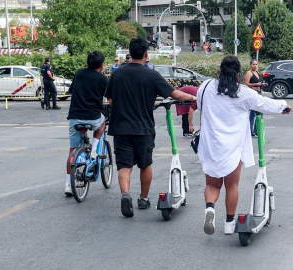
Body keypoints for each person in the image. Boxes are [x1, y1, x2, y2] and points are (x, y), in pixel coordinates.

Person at [197, 56, 292, 235]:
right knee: (231, 186)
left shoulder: (206, 87)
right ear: (239, 76)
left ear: (219, 72)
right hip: (234, 147)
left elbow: (201, 107)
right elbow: (264, 104)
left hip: (212, 145)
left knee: (213, 184)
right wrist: (283, 106)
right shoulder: (243, 92)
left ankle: (210, 209)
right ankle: (229, 223)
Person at [104, 37, 197, 218]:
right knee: (145, 164)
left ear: (129, 54)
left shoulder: (117, 74)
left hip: (121, 128)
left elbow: (111, 100)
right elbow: (174, 94)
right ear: (146, 54)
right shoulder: (152, 75)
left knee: (124, 165)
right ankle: (143, 198)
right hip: (143, 128)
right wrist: (193, 98)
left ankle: (125, 194)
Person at [64, 51, 108, 196]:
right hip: (93, 118)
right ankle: (94, 148)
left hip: (75, 118)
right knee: (103, 122)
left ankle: (68, 185)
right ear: (101, 65)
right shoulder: (103, 79)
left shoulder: (79, 73)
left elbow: (72, 91)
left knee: (72, 151)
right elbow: (110, 98)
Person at [245, 59, 268, 137]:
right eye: (253, 64)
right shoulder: (249, 73)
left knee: (259, 112)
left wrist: (262, 84)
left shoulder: (257, 73)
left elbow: (259, 83)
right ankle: (250, 131)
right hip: (253, 93)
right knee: (253, 113)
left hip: (259, 93)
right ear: (250, 65)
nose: (255, 66)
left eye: (256, 64)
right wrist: (256, 84)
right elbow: (247, 83)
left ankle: (256, 130)